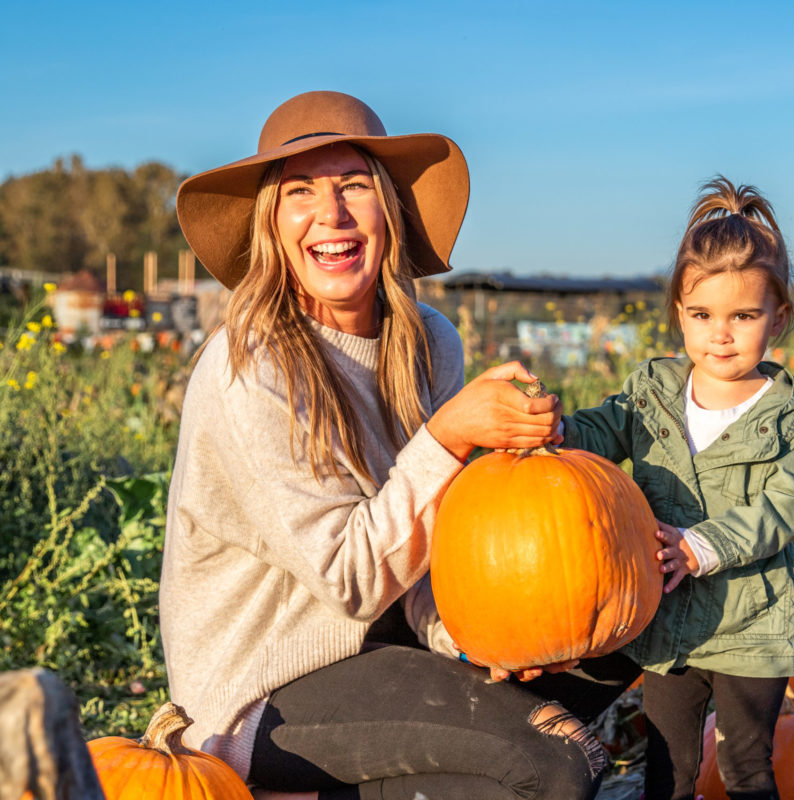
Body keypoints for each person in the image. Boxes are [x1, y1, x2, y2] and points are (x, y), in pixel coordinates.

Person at [161, 90, 639, 800]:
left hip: (393, 646)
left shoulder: (429, 342)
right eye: (301, 193)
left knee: (623, 635)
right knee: (554, 765)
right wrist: (447, 438)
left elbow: (437, 542)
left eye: (354, 185)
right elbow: (350, 580)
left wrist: (472, 638)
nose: (332, 214)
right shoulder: (249, 366)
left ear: (389, 208)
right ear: (272, 222)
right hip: (267, 687)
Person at [560, 177, 794, 800]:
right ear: (680, 313)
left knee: (745, 770)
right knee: (667, 770)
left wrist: (703, 546)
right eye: (702, 315)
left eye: (743, 316)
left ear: (777, 319)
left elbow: (783, 508)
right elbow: (604, 429)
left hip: (750, 627)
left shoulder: (789, 418)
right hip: (667, 628)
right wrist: (558, 430)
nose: (720, 334)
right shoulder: (651, 391)